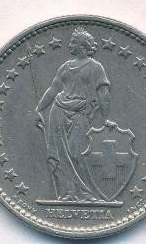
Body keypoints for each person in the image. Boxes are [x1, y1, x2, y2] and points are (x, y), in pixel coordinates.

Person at [35, 26, 111, 202]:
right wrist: (39, 108)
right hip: (59, 111)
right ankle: (68, 192)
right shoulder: (65, 67)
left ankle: (87, 193)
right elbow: (53, 89)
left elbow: (103, 93)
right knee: (59, 155)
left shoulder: (95, 67)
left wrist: (105, 118)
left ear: (83, 46)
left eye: (73, 42)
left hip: (80, 113)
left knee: (77, 153)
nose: (69, 45)